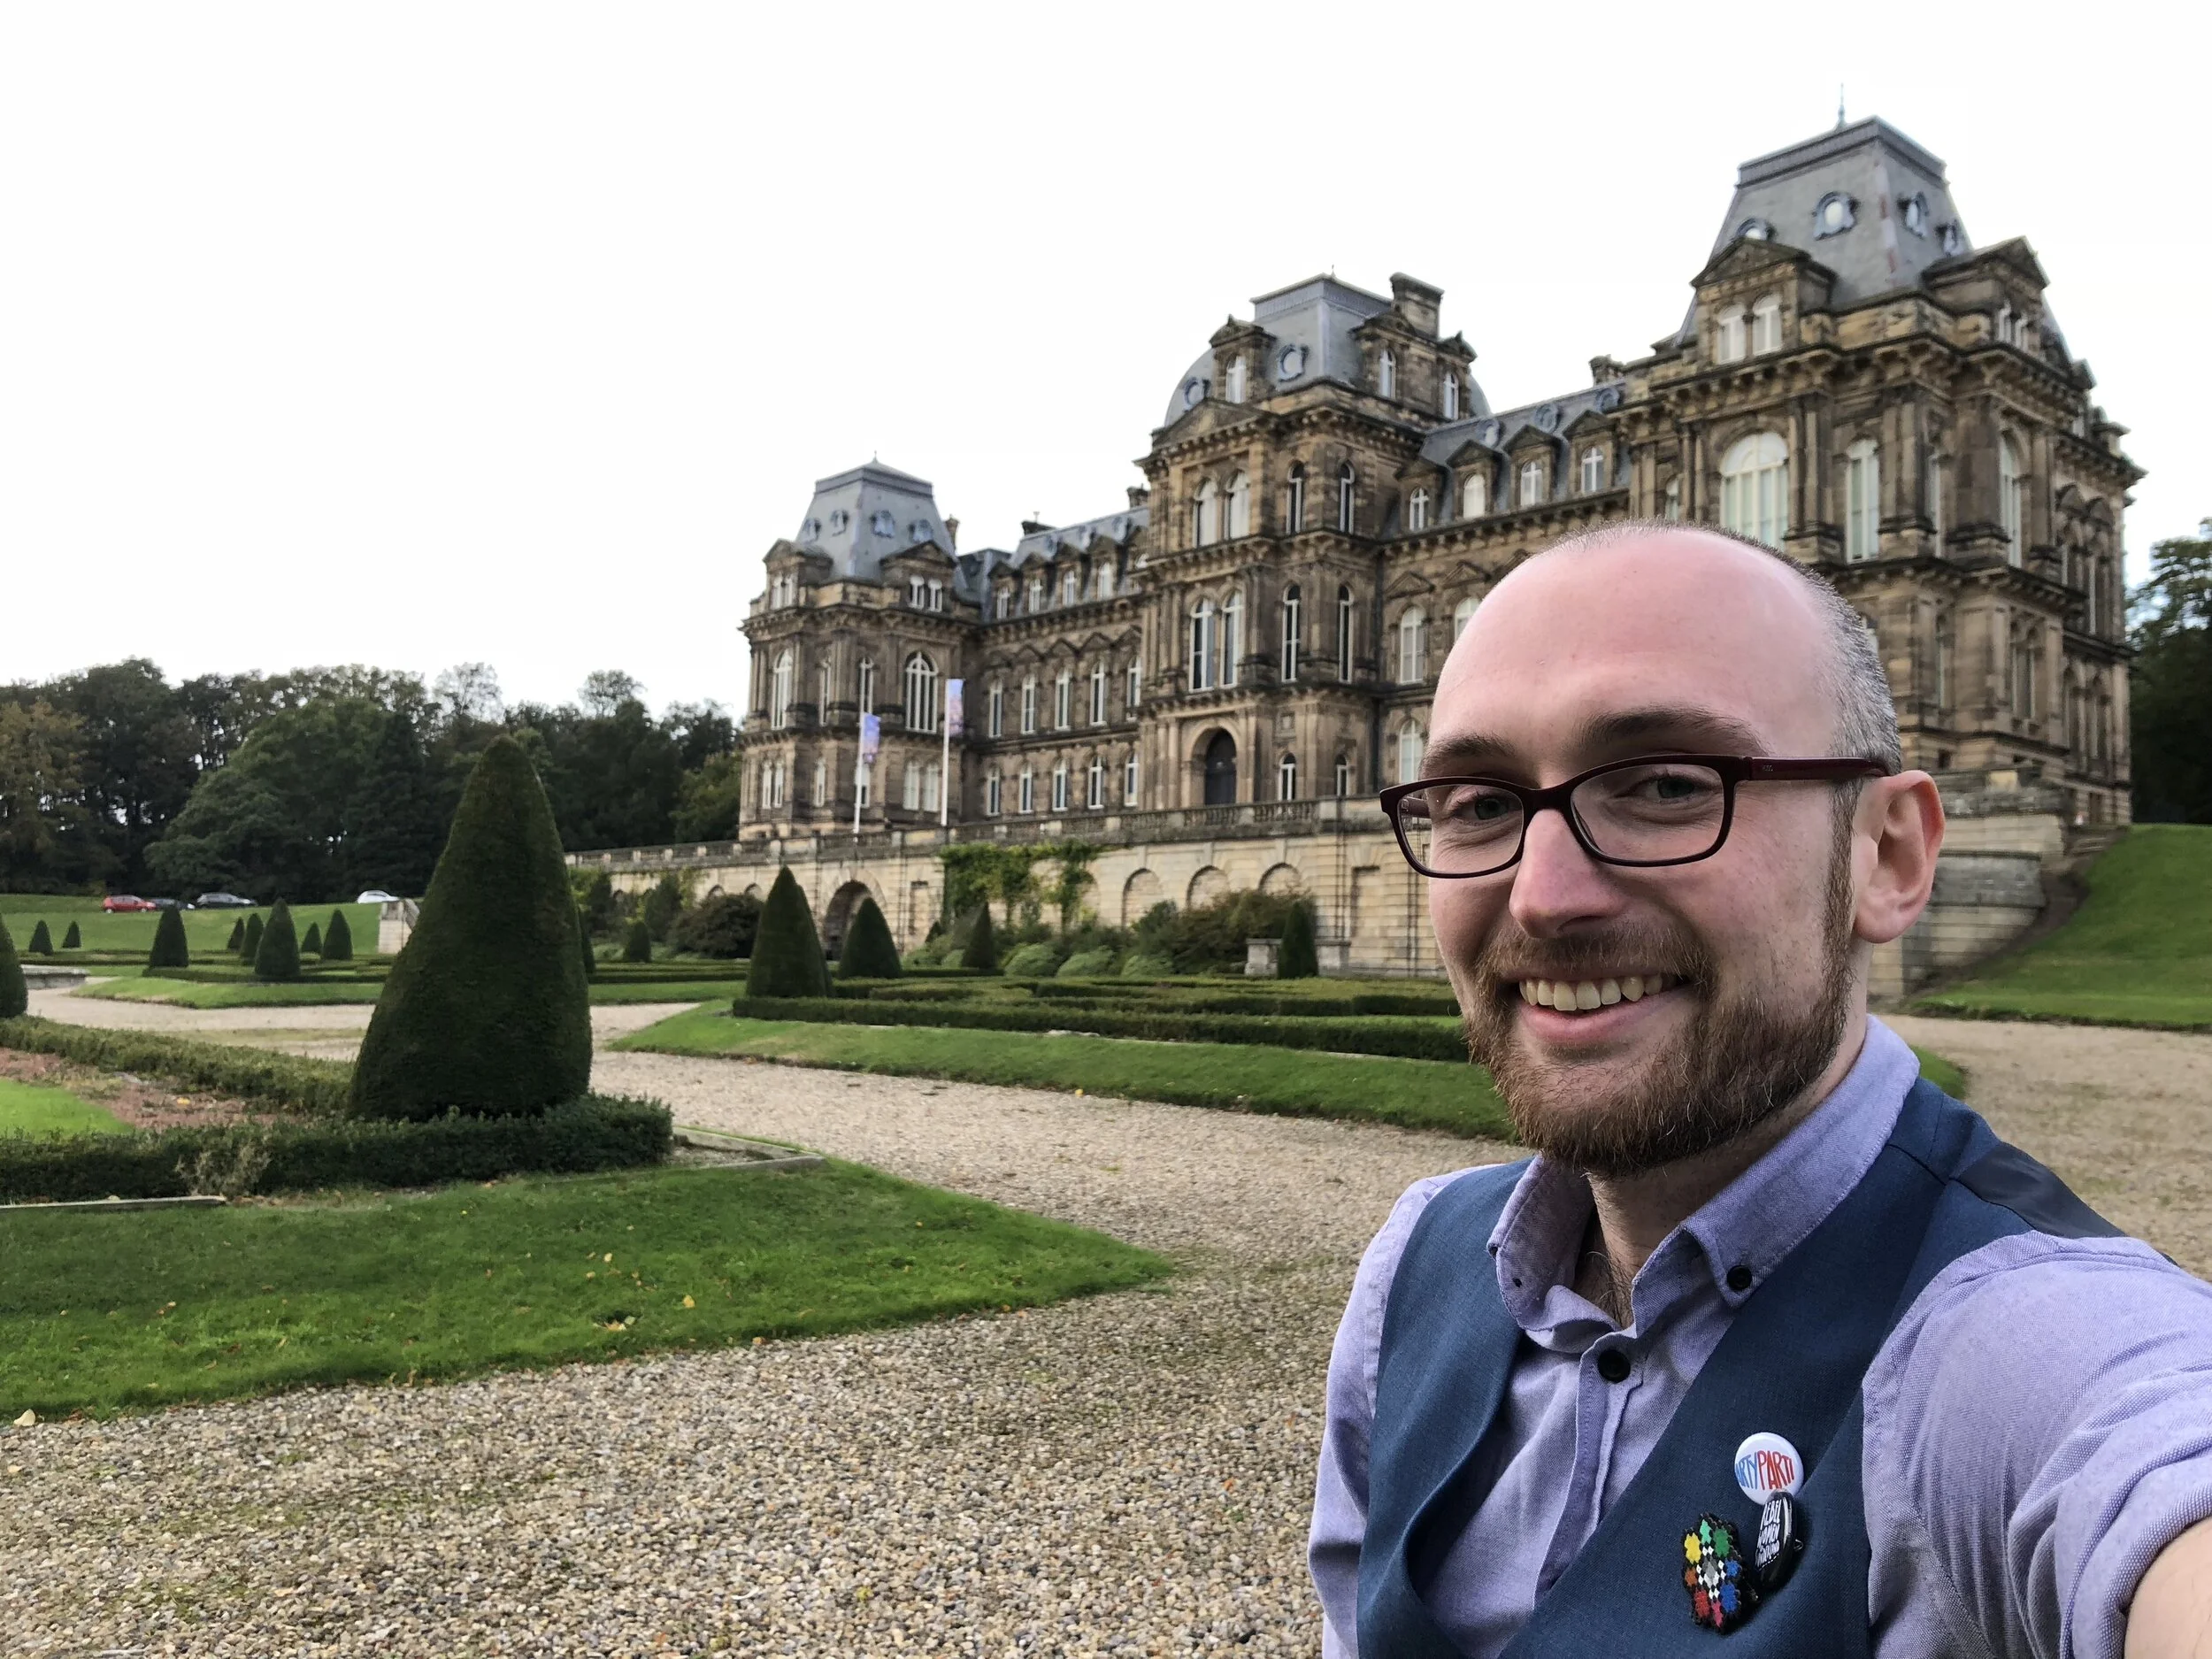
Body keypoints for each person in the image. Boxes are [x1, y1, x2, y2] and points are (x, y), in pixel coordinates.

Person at [1310, 524, 2212, 1657]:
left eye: (1670, 784)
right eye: (1479, 803)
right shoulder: (1413, 1268)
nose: (1543, 899)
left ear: (1886, 855)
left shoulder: (2017, 1348)